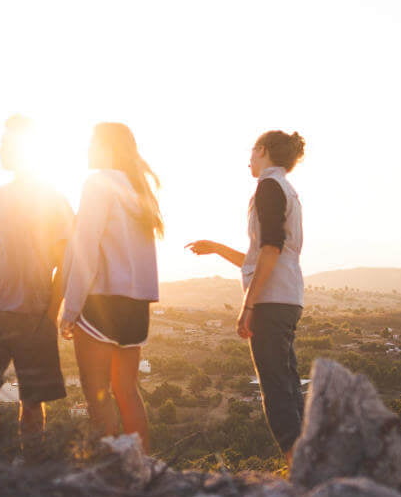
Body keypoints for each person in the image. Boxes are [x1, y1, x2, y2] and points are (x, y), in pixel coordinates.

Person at [186, 130, 306, 456]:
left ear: (263, 150)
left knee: (276, 387)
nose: (248, 159)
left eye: (252, 151)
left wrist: (248, 304)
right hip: (287, 296)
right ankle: (307, 458)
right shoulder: (285, 189)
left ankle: (297, 462)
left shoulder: (269, 187)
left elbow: (270, 249)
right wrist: (216, 248)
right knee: (288, 382)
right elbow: (258, 257)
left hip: (271, 299)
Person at [0, 116, 75, 436]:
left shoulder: (53, 199)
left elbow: (67, 263)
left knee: (33, 403)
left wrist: (51, 313)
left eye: (5, 144)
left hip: (35, 316)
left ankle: (33, 472)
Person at [59, 122, 161, 452]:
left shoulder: (98, 182)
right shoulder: (138, 190)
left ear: (107, 148)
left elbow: (85, 246)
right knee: (126, 391)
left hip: (100, 301)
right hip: (136, 306)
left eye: (92, 143)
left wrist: (70, 307)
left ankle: (108, 471)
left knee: (96, 392)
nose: (87, 150)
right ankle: (143, 467)